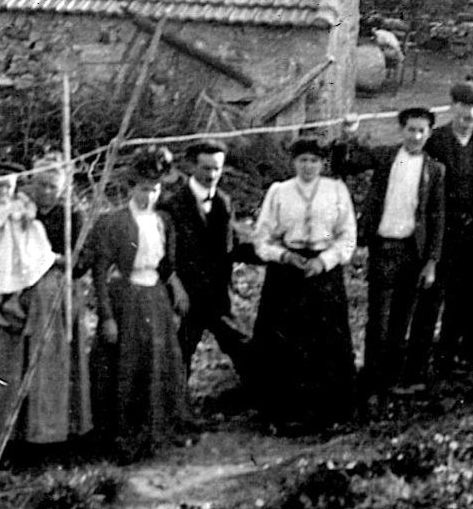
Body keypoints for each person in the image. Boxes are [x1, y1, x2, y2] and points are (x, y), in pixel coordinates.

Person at [0, 153, 96, 462]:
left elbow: (82, 262)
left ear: (63, 187)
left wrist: (57, 260)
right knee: (3, 364)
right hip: (13, 290)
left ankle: (46, 437)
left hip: (51, 300)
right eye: (41, 184)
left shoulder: (70, 216)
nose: (46, 192)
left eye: (52, 187)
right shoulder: (19, 207)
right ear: (32, 182)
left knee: (46, 367)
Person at [333, 108, 446, 403]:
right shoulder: (386, 157)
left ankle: (391, 384)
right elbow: (347, 164)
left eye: (422, 131)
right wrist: (349, 134)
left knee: (401, 320)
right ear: (401, 130)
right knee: (378, 321)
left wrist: (431, 262)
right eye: (411, 129)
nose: (416, 136)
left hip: (414, 253)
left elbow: (437, 218)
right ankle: (370, 385)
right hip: (384, 249)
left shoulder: (435, 170)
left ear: (429, 134)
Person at [249, 137, 359, 433]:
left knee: (326, 340)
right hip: (287, 272)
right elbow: (261, 237)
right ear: (293, 162)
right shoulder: (279, 191)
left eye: (314, 161)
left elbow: (347, 236)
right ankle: (284, 414)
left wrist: (324, 261)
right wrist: (284, 255)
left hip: (324, 272)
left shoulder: (336, 190)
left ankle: (328, 414)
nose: (308, 166)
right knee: (286, 340)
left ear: (323, 163)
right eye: (302, 160)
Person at [90, 145, 191, 462]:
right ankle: (123, 432)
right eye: (144, 189)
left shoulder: (163, 221)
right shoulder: (114, 221)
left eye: (155, 189)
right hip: (128, 297)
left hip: (155, 297)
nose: (149, 195)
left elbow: (167, 265)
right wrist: (107, 316)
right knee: (127, 366)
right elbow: (100, 272)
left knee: (157, 363)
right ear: (132, 188)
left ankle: (156, 430)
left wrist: (176, 290)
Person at [418, 79, 473, 372]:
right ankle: (421, 361)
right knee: (432, 296)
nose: (470, 113)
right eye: (464, 106)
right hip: (442, 233)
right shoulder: (436, 141)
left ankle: (454, 354)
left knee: (466, 295)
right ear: (453, 107)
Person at [157, 139, 254, 385]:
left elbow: (232, 245)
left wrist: (272, 253)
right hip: (185, 299)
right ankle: (176, 404)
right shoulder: (171, 204)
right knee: (178, 356)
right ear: (192, 166)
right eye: (206, 168)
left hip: (218, 296)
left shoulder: (223, 201)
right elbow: (160, 253)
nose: (211, 175)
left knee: (242, 347)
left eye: (217, 169)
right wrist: (175, 288)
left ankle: (254, 397)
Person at [0, 173, 55, 329]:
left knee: (22, 266)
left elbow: (30, 209)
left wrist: (27, 215)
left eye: (8, 187)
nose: (4, 191)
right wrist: (4, 213)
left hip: (18, 243)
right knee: (1, 272)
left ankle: (14, 299)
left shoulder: (18, 198)